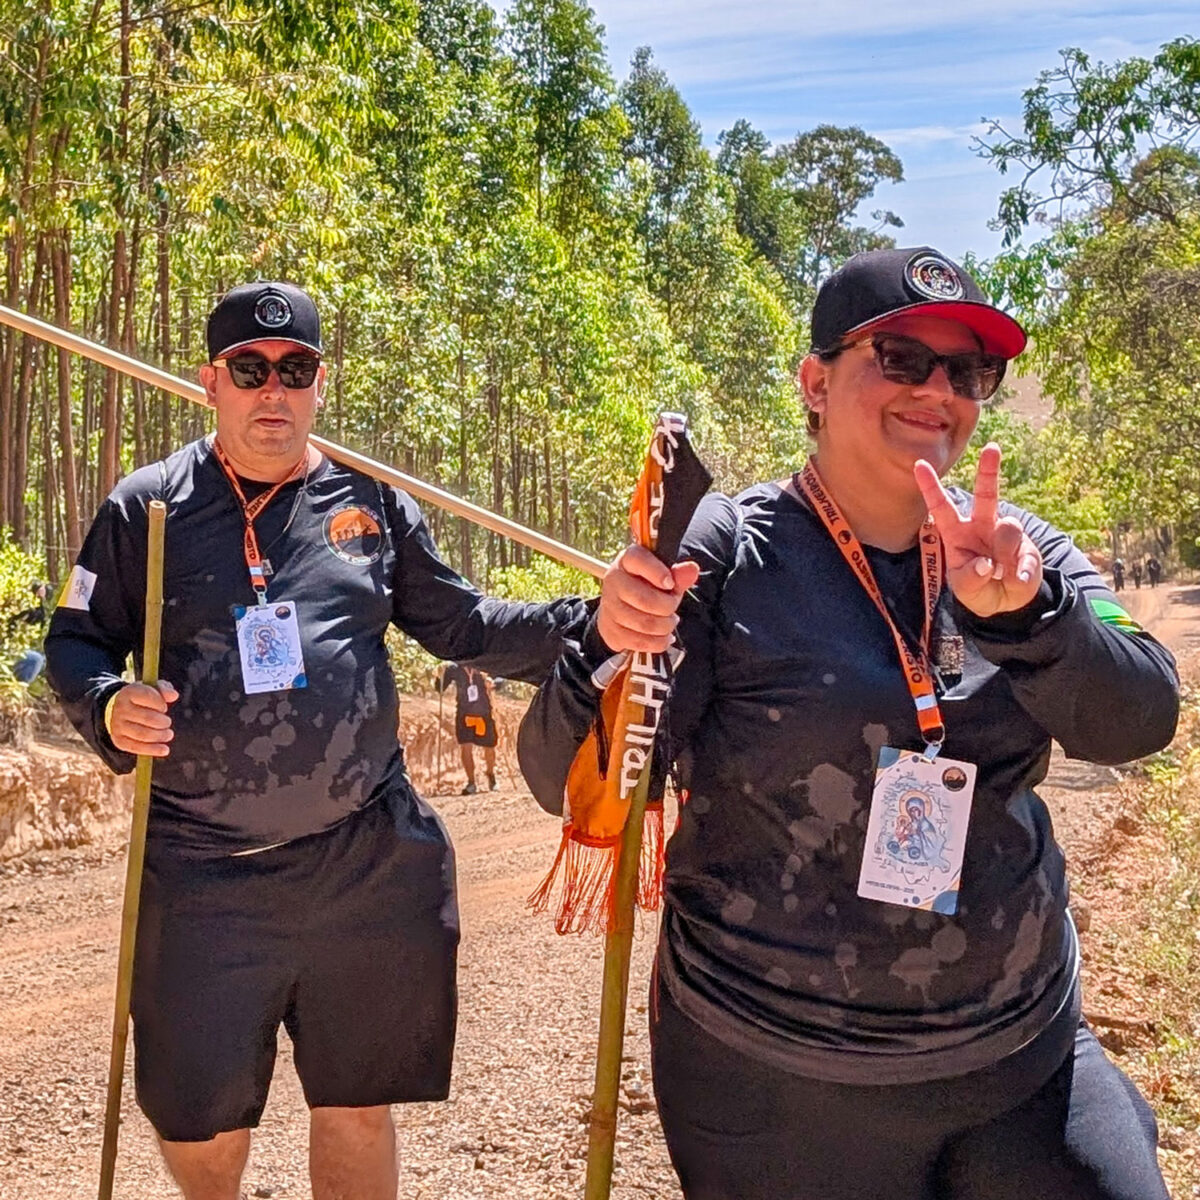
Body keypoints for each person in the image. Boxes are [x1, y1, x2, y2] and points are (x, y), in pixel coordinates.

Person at [519, 247, 1179, 1200]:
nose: (937, 390)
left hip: (1020, 1054)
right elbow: (569, 778)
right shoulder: (727, 553)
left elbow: (1142, 716)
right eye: (901, 358)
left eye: (968, 371)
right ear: (816, 383)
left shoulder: (1021, 550)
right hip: (777, 1081)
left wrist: (1034, 620)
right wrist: (605, 642)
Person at [43, 281, 680, 1200]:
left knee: (355, 1106)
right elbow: (74, 641)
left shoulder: (370, 500)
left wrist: (602, 623)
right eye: (249, 370)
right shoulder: (149, 507)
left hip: (364, 865)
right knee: (200, 1120)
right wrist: (109, 705)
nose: (274, 389)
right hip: (202, 872)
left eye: (295, 369)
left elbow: (465, 624)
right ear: (209, 382)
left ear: (319, 382)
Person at [439, 662, 497, 793]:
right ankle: (471, 782)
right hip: (464, 714)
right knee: (466, 746)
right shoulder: (454, 669)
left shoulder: (483, 663)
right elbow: (440, 688)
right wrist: (440, 676)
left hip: (484, 713)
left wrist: (493, 682)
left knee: (489, 747)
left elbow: (499, 679)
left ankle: (491, 774)